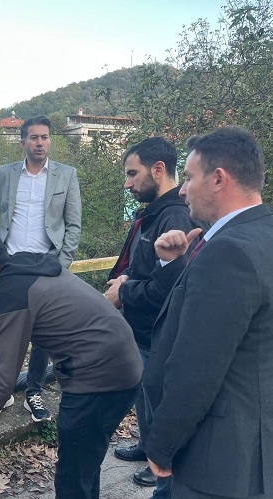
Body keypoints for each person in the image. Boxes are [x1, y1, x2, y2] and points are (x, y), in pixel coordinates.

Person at [0, 227, 141, 499]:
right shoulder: (26, 266)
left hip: (99, 379)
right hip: (122, 364)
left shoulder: (10, 294)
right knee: (85, 464)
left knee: (73, 476)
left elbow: (3, 380)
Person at [145, 126, 273, 498]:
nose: (181, 190)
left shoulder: (227, 252)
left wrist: (162, 445)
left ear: (218, 179)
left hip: (218, 461)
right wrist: (176, 265)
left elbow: (197, 366)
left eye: (188, 177)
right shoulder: (260, 235)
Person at [104, 137, 202, 493]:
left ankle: (162, 466)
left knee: (159, 403)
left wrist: (124, 291)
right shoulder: (153, 213)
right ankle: (148, 448)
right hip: (141, 329)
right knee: (145, 398)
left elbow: (170, 288)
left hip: (159, 335)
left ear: (158, 170)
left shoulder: (175, 217)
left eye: (133, 174)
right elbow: (149, 269)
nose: (127, 183)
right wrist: (127, 279)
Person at [0, 115, 82, 422]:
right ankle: (2, 392)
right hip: (9, 266)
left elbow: (74, 225)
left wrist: (60, 264)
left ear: (50, 140)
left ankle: (33, 392)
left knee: (43, 335)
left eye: (45, 137)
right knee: (5, 331)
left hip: (46, 266)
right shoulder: (6, 173)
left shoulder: (66, 175)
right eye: (34, 137)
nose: (40, 143)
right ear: (23, 141)